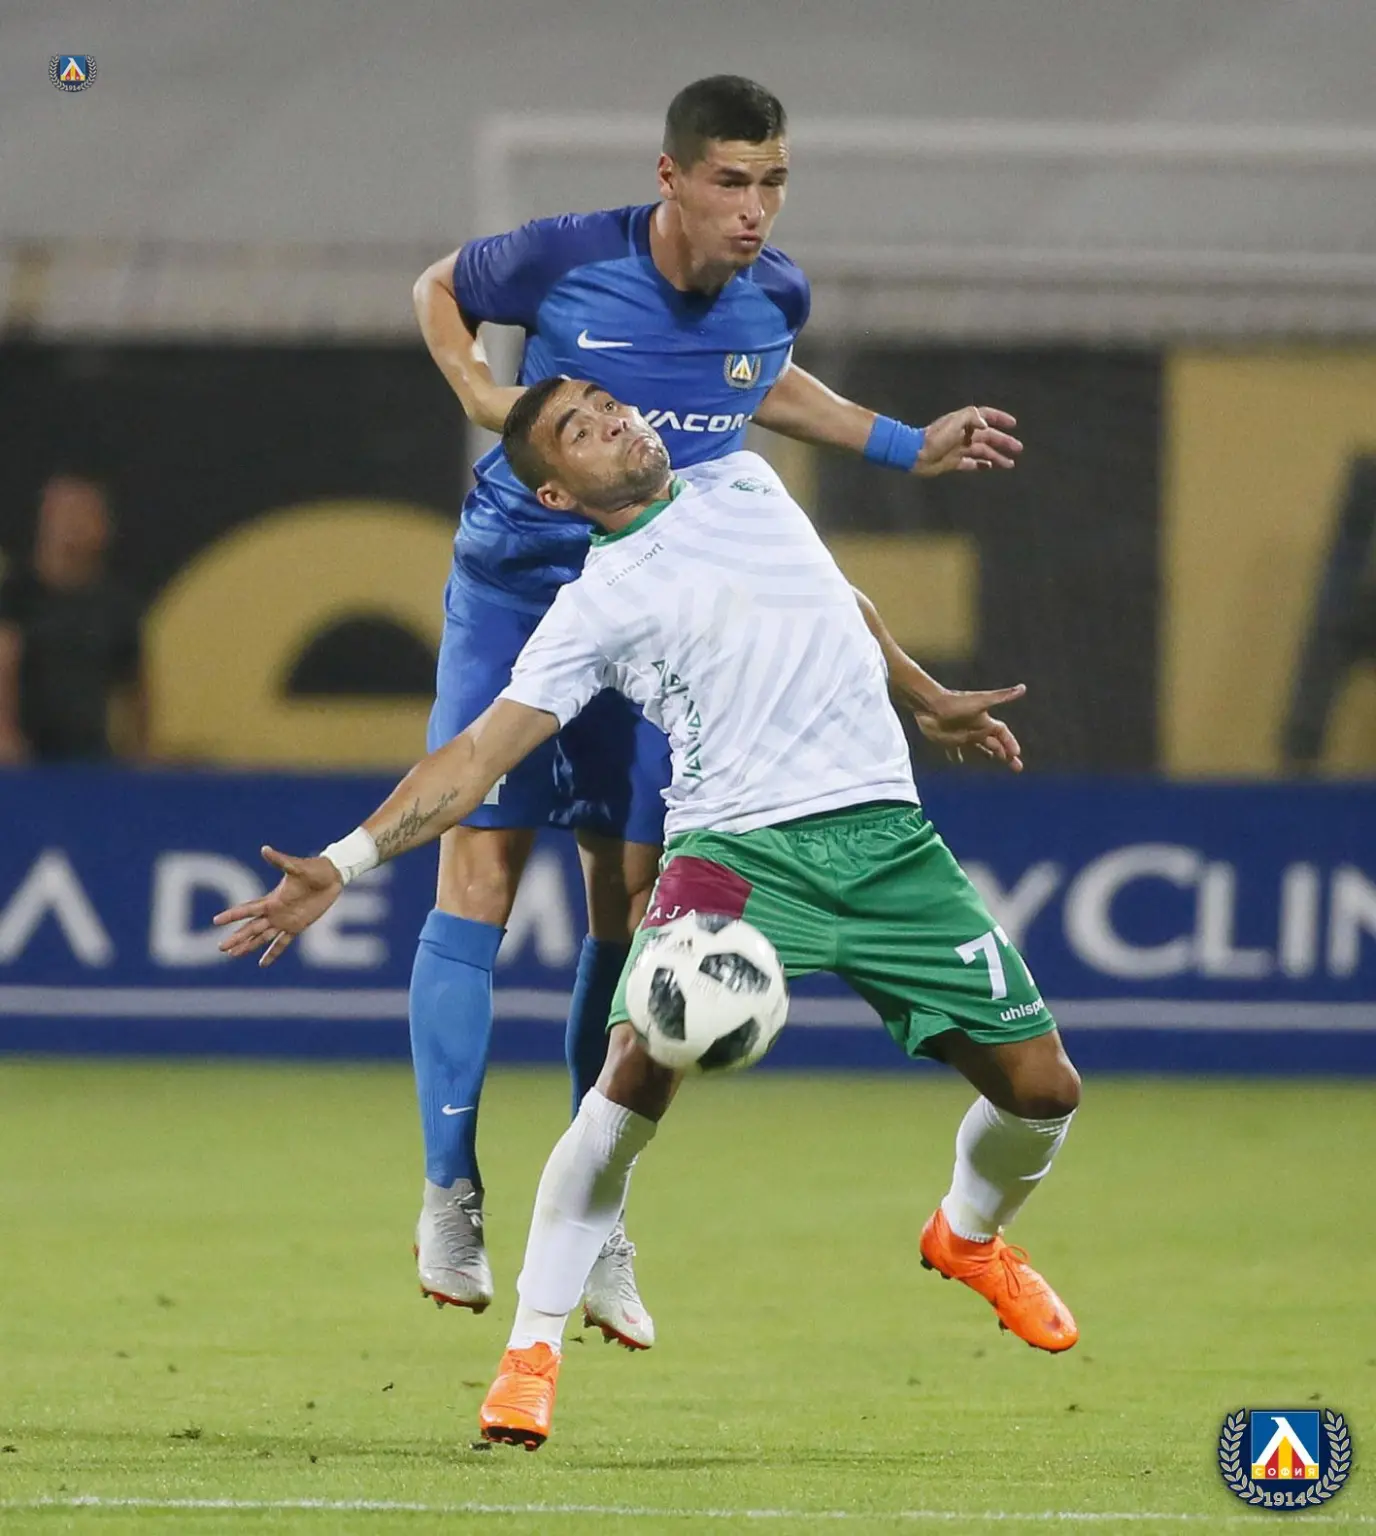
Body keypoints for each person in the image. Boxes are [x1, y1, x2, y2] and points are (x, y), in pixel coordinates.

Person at [213, 378, 1079, 1452]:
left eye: (608, 404)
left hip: (888, 842)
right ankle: (530, 1354)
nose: (615, 419)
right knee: (630, 1072)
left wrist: (922, 691)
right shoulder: (594, 606)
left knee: (1043, 1091)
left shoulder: (747, 481)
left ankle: (969, 1235)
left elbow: (835, 595)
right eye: (579, 429)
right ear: (555, 491)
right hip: (734, 853)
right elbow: (476, 756)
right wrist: (344, 863)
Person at [407, 74, 1023, 1336]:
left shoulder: (772, 293)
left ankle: (596, 1216)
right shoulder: (567, 257)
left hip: (658, 611)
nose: (754, 208)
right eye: (731, 181)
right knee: (478, 868)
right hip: (520, 590)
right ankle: (449, 1191)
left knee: (630, 894)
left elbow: (754, 386)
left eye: (773, 182)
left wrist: (902, 442)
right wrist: (478, 394)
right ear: (671, 177)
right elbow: (437, 288)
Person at [0, 474, 148, 765]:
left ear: (104, 527)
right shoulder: (15, 595)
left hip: (90, 758)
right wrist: (5, 733)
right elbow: (4, 663)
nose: (74, 526)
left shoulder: (116, 606)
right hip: (26, 760)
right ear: (45, 523)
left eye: (84, 515)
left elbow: (136, 688)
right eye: (65, 515)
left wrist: (140, 750)